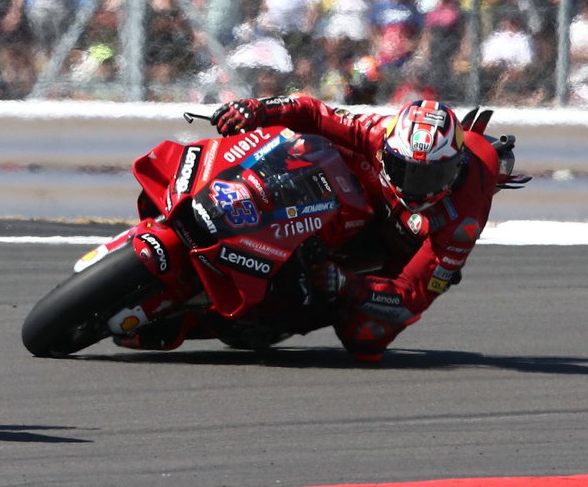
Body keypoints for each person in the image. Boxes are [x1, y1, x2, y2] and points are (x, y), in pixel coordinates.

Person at [209, 95, 524, 360]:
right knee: (307, 145)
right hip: (363, 195)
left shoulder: (462, 220)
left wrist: (347, 284)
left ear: (455, 169)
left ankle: (303, 307)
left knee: (366, 337)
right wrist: (258, 109)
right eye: (405, 169)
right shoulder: (378, 132)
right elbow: (313, 113)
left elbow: (411, 294)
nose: (415, 187)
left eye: (430, 177)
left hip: (400, 249)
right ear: (389, 149)